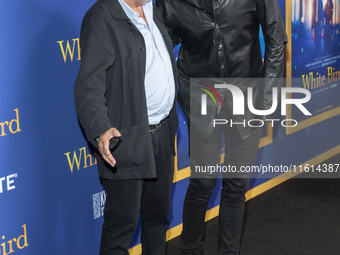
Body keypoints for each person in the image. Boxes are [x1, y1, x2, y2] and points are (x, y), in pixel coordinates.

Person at [157, 0, 286, 254]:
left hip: (247, 94)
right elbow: (159, 43)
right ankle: (190, 250)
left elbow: (275, 35)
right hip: (201, 96)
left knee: (236, 184)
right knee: (203, 182)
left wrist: (268, 97)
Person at [74, 0, 178, 254]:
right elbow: (89, 85)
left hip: (163, 133)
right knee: (121, 229)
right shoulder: (101, 17)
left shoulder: (156, 10)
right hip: (126, 138)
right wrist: (100, 129)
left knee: (158, 220)